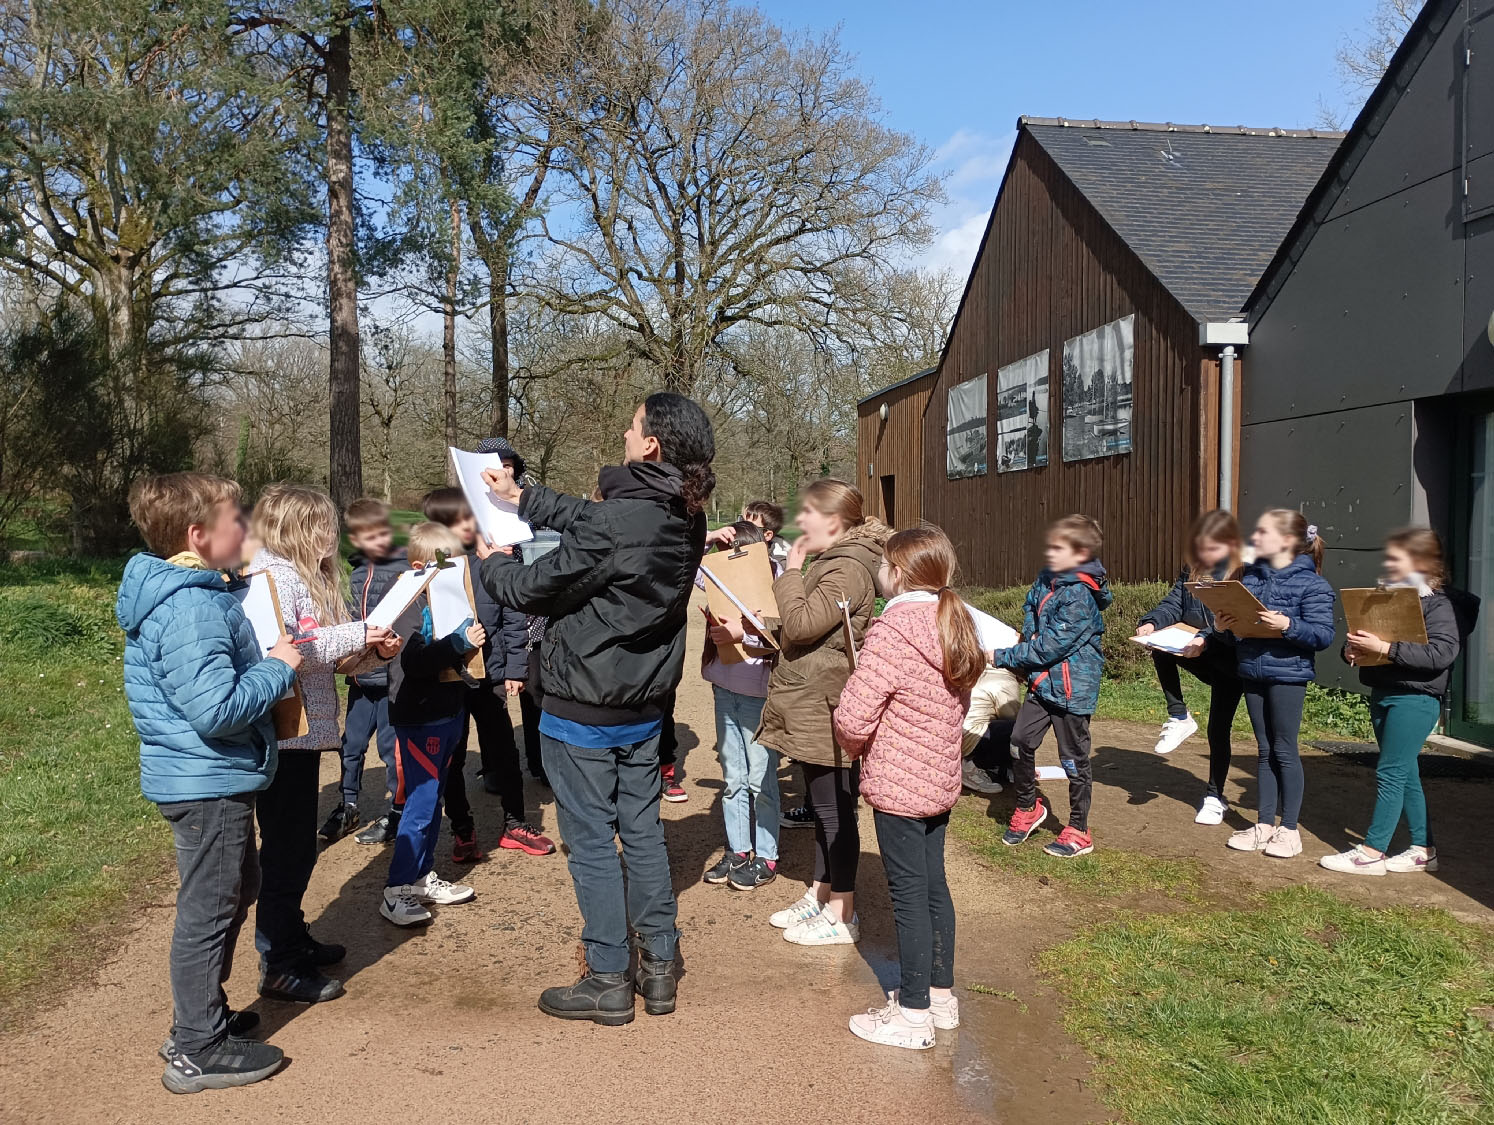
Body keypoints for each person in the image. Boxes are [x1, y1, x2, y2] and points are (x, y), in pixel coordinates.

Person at [476, 391, 716, 1025]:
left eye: (633, 424)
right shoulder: (683, 513)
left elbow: (533, 586)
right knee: (641, 832)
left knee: (588, 844)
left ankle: (609, 976)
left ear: (653, 445)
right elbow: (587, 516)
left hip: (584, 704)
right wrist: (520, 492)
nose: (625, 429)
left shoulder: (619, 523)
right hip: (642, 706)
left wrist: (493, 567)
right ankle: (659, 966)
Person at [117, 473, 302, 1094]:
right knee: (210, 906)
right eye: (235, 520)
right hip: (205, 783)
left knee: (232, 889)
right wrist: (279, 666)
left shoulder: (196, 592)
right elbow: (216, 709)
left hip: (207, 777)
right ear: (198, 537)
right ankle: (196, 1046)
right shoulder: (191, 606)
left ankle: (205, 1016)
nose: (246, 529)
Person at [834, 526, 985, 1050]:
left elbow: (854, 714)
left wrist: (853, 747)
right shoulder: (956, 621)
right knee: (933, 886)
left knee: (908, 898)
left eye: (882, 564)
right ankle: (941, 998)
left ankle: (913, 1014)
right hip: (939, 778)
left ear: (896, 573)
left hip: (900, 782)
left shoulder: (892, 630)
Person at [249, 484, 397, 1003]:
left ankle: (290, 936)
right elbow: (294, 648)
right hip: (284, 736)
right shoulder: (271, 578)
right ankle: (278, 964)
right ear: (294, 528)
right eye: (321, 526)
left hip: (307, 735)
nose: (331, 536)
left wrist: (373, 650)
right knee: (287, 851)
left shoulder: (302, 578)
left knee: (297, 849)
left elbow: (331, 658)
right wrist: (361, 631)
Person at [757, 479, 890, 946]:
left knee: (835, 811)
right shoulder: (836, 562)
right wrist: (754, 629)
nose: (799, 523)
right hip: (815, 698)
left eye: (807, 513)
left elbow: (803, 622)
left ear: (833, 521)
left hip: (827, 701)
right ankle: (820, 893)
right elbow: (807, 630)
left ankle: (842, 913)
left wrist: (789, 571)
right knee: (825, 809)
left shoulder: (847, 568)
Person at [1321, 529, 1475, 875]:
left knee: (1390, 772)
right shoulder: (1386, 600)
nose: (1388, 563)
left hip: (1415, 699)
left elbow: (1441, 654)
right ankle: (1423, 849)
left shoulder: (1439, 605)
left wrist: (1385, 649)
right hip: (1383, 692)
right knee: (1406, 775)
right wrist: (1353, 650)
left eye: (1396, 558)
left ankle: (1372, 853)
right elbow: (1368, 643)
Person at [423, 484, 555, 860]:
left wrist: (515, 669)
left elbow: (514, 618)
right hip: (449, 680)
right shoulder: (431, 566)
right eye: (458, 519)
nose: (468, 524)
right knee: (453, 756)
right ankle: (462, 829)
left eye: (470, 516)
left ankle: (515, 824)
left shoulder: (493, 561)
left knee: (503, 751)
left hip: (492, 676)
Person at [1215, 509, 1336, 860]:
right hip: (1252, 671)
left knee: (1284, 749)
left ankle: (1290, 830)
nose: (1256, 538)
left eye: (1263, 531)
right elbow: (1235, 634)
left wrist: (1287, 624)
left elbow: (1323, 635)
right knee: (1264, 749)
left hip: (1288, 674)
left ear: (1286, 541)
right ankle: (1264, 824)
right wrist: (1224, 627)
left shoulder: (1313, 585)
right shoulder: (1249, 580)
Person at [379, 522, 483, 926]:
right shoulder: (407, 604)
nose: (456, 570)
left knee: (433, 798)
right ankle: (396, 889)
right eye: (448, 562)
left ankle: (420, 877)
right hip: (420, 718)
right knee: (420, 804)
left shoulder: (447, 600)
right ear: (422, 566)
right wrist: (460, 642)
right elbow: (415, 662)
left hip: (448, 712)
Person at [991, 515, 1112, 859]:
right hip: (1043, 684)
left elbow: (1050, 647)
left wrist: (1002, 657)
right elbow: (1031, 604)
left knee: (1072, 759)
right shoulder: (1048, 579)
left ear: (1082, 552)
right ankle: (1029, 807)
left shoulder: (1079, 597)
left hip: (1072, 692)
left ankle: (1079, 829)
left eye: (1058, 548)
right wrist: (1029, 631)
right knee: (1019, 742)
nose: (1049, 553)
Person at [1136, 509, 1246, 825]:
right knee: (1158, 646)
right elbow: (1175, 603)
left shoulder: (1243, 573)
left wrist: (1205, 637)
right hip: (1196, 651)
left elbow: (1233, 618)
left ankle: (1215, 796)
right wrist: (1152, 622)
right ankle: (1179, 715)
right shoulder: (1193, 570)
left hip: (1231, 664)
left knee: (1218, 729)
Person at [700, 520, 782, 892]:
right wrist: (709, 539)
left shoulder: (775, 582)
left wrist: (744, 631)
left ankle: (766, 854)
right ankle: (738, 850)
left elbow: (781, 633)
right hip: (724, 687)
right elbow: (685, 564)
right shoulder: (718, 576)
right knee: (733, 779)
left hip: (757, 693)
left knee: (760, 779)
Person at [319, 498, 407, 845]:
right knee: (350, 746)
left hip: (389, 681)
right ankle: (348, 804)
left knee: (389, 749)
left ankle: (396, 811)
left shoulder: (403, 571)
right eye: (367, 536)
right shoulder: (355, 572)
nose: (377, 542)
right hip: (360, 679)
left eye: (382, 533)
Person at [743, 499, 789, 567]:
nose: (742, 529)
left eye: (749, 527)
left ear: (767, 535)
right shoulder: (738, 544)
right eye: (741, 523)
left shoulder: (778, 565)